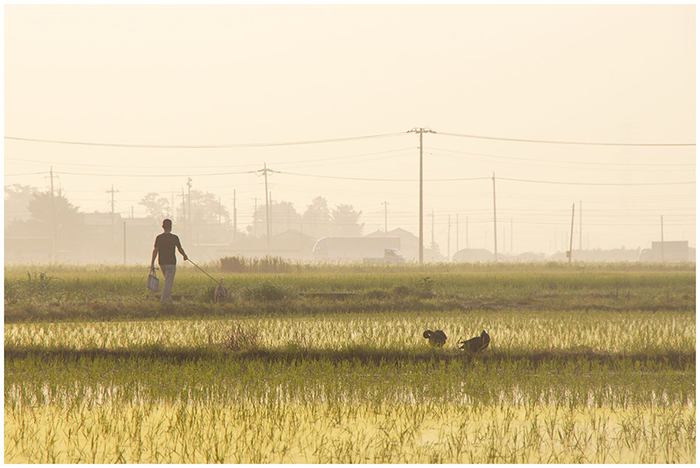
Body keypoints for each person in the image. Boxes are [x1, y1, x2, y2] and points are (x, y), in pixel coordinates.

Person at [150, 219, 188, 303]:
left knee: (168, 281)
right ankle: (164, 301)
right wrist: (184, 256)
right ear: (170, 227)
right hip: (171, 263)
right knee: (168, 283)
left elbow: (155, 251)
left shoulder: (159, 238)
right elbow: (180, 249)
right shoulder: (174, 238)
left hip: (162, 263)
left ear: (163, 227)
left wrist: (152, 263)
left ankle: (169, 300)